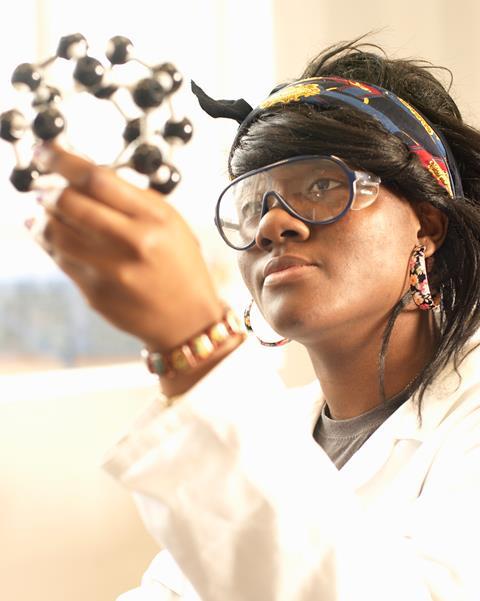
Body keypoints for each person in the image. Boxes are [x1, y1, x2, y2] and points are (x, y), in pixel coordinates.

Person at [28, 39, 480, 600]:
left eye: (321, 186)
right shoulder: (278, 425)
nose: (272, 227)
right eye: (253, 204)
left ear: (427, 228)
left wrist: (198, 347)